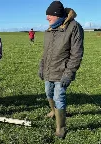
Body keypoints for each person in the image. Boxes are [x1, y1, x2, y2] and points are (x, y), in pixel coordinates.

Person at [38, 1, 84, 139]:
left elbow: (77, 54)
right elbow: (45, 52)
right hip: (48, 70)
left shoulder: (74, 27)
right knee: (48, 93)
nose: (47, 18)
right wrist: (41, 66)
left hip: (62, 71)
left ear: (58, 15)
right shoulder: (50, 29)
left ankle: (60, 128)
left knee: (59, 97)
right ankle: (53, 111)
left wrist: (68, 74)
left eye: (50, 15)